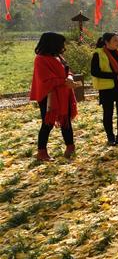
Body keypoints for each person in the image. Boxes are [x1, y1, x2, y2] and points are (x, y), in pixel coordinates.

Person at [29, 32, 78, 162]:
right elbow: (45, 80)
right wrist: (64, 81)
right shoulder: (40, 59)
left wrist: (69, 77)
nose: (63, 47)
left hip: (63, 93)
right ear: (52, 44)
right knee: (48, 124)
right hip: (48, 96)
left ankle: (70, 147)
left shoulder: (58, 56)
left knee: (66, 120)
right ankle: (41, 152)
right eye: (61, 44)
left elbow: (68, 71)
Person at [91, 32, 118, 146]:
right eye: (115, 40)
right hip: (107, 88)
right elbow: (95, 72)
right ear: (106, 42)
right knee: (108, 113)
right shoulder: (98, 54)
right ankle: (110, 137)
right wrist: (115, 76)